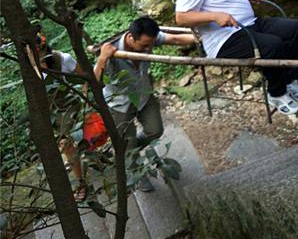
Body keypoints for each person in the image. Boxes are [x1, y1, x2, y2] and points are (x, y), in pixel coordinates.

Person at [94, 17, 195, 192]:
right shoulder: (112, 53)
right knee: (128, 143)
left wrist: (200, 38)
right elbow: (95, 80)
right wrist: (102, 59)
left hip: (143, 96)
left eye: (152, 44)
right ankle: (137, 174)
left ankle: (126, 151)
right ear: (132, 38)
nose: (149, 49)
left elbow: (175, 39)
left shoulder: (149, 38)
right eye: (145, 46)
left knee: (155, 131)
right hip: (119, 104)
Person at [34, 27, 87, 201]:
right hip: (51, 112)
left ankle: (80, 183)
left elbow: (84, 78)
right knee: (64, 145)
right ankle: (73, 159)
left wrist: (86, 100)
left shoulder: (62, 59)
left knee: (66, 144)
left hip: (69, 107)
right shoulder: (29, 69)